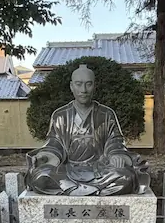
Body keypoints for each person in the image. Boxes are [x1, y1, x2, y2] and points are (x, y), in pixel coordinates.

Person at [25, 64, 149, 196]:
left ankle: (72, 189)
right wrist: (46, 157)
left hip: (100, 170)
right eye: (78, 84)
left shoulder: (106, 114)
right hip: (68, 169)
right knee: (40, 177)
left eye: (88, 84)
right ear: (71, 86)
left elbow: (115, 141)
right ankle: (94, 190)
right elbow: (54, 144)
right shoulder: (60, 115)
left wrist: (115, 155)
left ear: (94, 86)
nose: (83, 90)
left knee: (126, 177)